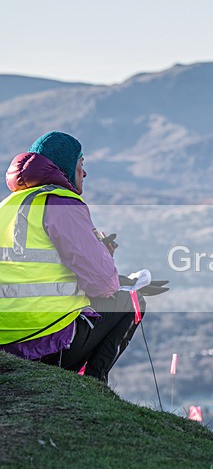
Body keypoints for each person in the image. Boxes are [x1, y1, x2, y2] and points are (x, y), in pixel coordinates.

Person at [0, 131, 143, 383]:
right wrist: (104, 255)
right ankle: (94, 385)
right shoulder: (62, 204)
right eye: (81, 163)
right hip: (43, 341)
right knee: (131, 301)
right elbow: (103, 285)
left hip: (5, 342)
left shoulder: (8, 206)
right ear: (65, 165)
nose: (84, 173)